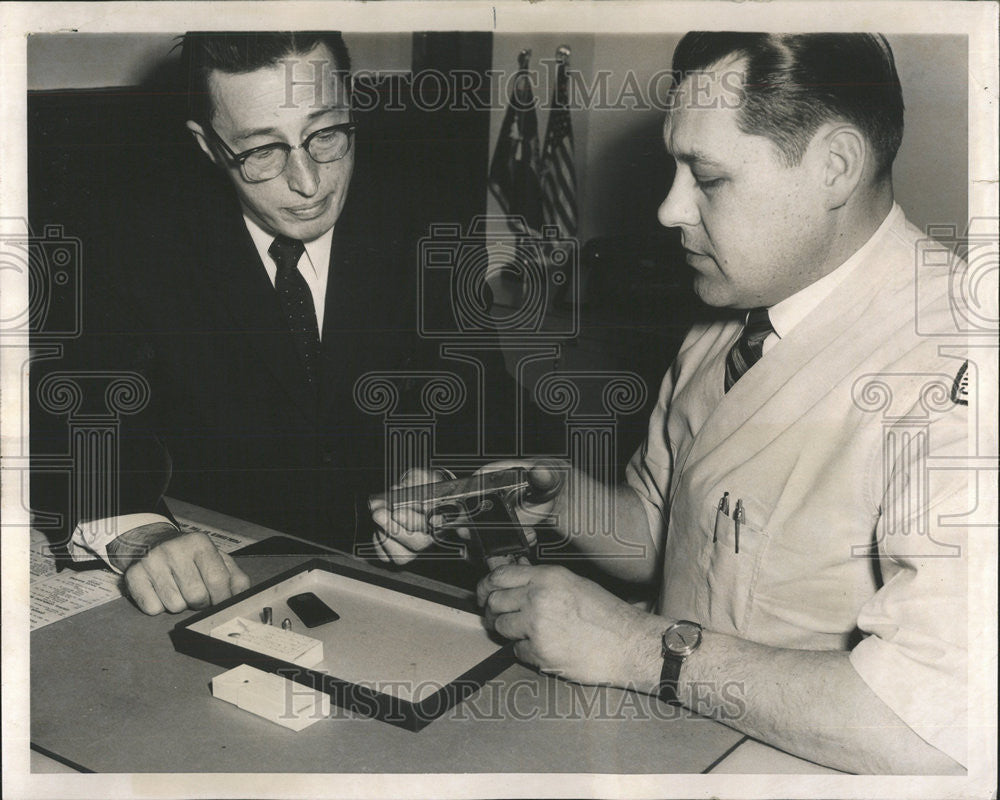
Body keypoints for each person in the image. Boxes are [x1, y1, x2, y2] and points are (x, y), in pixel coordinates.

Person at [374, 32, 972, 774]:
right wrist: (546, 495)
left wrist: (630, 646)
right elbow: (664, 533)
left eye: (707, 177)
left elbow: (930, 723)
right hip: (670, 741)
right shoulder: (729, 315)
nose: (666, 208)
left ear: (835, 166)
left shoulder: (959, 359)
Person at [62, 32, 510, 614]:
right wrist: (144, 534)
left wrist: (446, 488)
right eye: (261, 151)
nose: (307, 182)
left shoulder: (424, 217)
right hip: (223, 591)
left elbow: (488, 405)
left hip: (417, 593)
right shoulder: (135, 242)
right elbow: (79, 414)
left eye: (326, 134)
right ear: (207, 145)